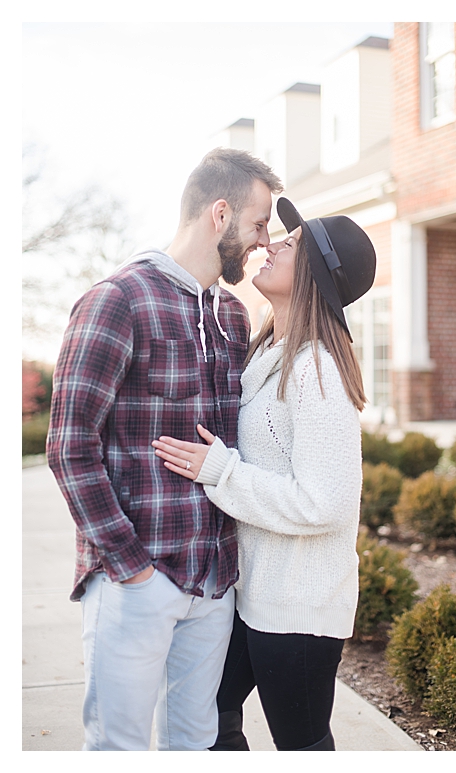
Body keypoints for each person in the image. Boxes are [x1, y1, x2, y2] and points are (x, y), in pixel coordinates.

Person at [47, 148, 282, 750]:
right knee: (117, 747)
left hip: (212, 582)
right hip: (136, 580)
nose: (262, 241)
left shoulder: (231, 315)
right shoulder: (117, 300)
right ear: (220, 213)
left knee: (196, 741)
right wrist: (131, 565)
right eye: (258, 224)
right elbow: (70, 446)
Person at [151, 196, 376, 751]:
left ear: (317, 275)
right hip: (252, 594)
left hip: (298, 609)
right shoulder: (268, 353)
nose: (270, 244)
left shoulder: (317, 366)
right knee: (209, 714)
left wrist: (220, 471)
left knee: (302, 745)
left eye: (291, 244)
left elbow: (327, 504)